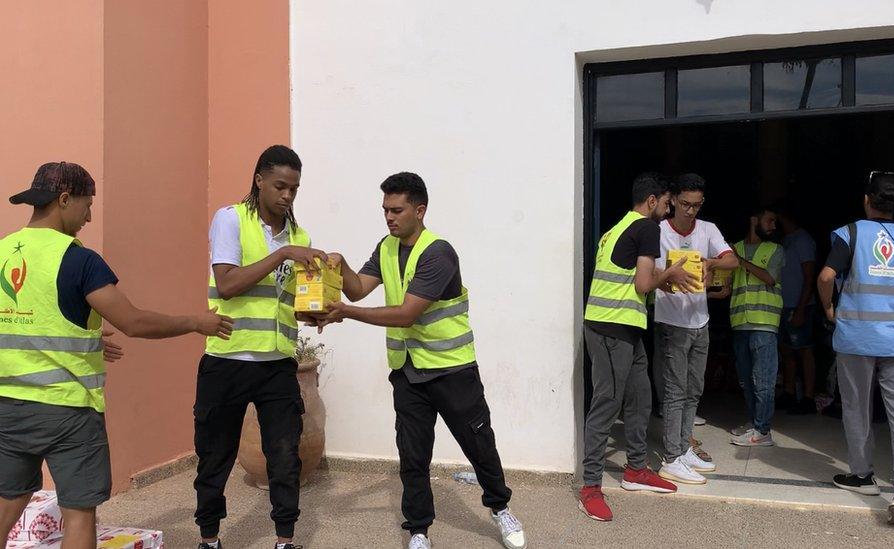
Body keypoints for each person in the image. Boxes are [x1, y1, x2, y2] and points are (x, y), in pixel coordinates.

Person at [0, 162, 231, 548]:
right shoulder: (79, 260)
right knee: (78, 511)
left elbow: (27, 323)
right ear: (63, 200)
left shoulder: (4, 252)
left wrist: (86, 342)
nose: (89, 215)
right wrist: (195, 322)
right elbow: (135, 322)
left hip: (9, 408)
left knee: (8, 498)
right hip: (68, 413)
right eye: (87, 204)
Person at [317, 173, 526, 549]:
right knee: (412, 454)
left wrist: (346, 313)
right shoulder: (386, 247)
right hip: (408, 372)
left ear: (420, 210)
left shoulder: (438, 252)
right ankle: (418, 529)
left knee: (479, 445)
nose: (389, 217)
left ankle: (500, 508)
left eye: (396, 210)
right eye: (385, 210)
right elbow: (359, 287)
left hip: (452, 370)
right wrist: (341, 265)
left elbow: (406, 314)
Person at [196, 145, 330, 549]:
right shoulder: (231, 220)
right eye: (280, 186)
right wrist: (284, 254)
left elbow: (287, 300)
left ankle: (285, 539)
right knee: (214, 457)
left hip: (277, 364)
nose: (287, 195)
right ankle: (210, 538)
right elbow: (229, 284)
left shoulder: (300, 236)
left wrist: (314, 313)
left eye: (294, 188)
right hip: (228, 358)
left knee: (286, 457)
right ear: (259, 180)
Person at [817, 171, 894, 528]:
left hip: (856, 337)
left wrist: (829, 309)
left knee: (857, 407)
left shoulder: (851, 234)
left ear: (867, 200)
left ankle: (862, 476)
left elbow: (826, 277)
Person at [578, 172, 696, 522]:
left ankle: (635, 470)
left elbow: (631, 281)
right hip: (612, 329)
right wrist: (670, 274)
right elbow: (644, 283)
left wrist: (663, 280)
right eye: (666, 202)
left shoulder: (617, 228)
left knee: (641, 397)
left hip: (621, 328)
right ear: (651, 201)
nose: (668, 207)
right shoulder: (647, 228)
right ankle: (590, 488)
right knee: (606, 404)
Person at [654, 173, 739, 485]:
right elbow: (645, 269)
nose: (690, 211)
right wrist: (669, 274)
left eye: (697, 205)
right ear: (674, 200)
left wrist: (712, 263)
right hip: (671, 322)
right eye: (686, 204)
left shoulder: (708, 229)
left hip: (700, 321)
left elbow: (733, 260)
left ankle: (684, 446)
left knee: (694, 389)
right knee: (675, 391)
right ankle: (672, 456)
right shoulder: (658, 230)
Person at [728, 206, 784, 447]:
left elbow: (770, 278)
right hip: (740, 322)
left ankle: (763, 431)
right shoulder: (734, 248)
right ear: (754, 220)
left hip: (765, 323)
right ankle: (753, 422)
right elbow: (728, 286)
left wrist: (739, 261)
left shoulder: (776, 250)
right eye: (769, 220)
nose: (773, 226)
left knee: (763, 379)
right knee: (746, 379)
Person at [776, 203, 818, 415]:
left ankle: (809, 397)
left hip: (800, 305)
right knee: (786, 350)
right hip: (783, 304)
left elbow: (810, 275)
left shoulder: (803, 240)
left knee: (804, 349)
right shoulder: (786, 240)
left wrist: (802, 308)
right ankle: (789, 391)